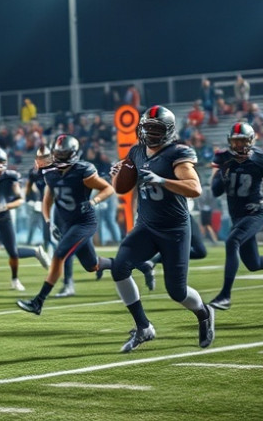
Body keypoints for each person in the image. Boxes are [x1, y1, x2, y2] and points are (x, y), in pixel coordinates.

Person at [110, 105, 214, 353]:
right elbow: (120, 188)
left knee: (177, 292)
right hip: (146, 225)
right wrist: (118, 174)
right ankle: (143, 327)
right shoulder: (136, 151)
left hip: (174, 229)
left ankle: (203, 313)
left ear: (168, 131)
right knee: (119, 266)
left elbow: (195, 188)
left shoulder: (177, 153)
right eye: (148, 128)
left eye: (157, 129)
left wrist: (163, 181)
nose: (151, 133)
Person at [15, 135, 115, 315]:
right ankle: (129, 264)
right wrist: (48, 222)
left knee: (59, 254)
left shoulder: (83, 170)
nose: (60, 158)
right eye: (58, 153)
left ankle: (38, 301)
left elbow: (108, 188)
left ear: (74, 154)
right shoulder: (50, 172)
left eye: (65, 154)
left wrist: (94, 202)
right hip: (67, 223)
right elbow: (47, 199)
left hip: (84, 222)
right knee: (92, 265)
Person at [208, 122, 263, 310]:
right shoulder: (223, 157)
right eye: (235, 141)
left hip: (255, 212)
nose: (239, 145)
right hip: (237, 214)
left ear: (251, 140)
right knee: (253, 263)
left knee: (231, 241)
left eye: (242, 141)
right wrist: (220, 176)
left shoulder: (261, 158)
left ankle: (225, 295)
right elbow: (216, 192)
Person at [0, 146, 50, 292]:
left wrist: (6, 206)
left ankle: (16, 278)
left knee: (12, 252)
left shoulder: (10, 176)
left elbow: (20, 199)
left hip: (4, 217)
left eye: (0, 161)